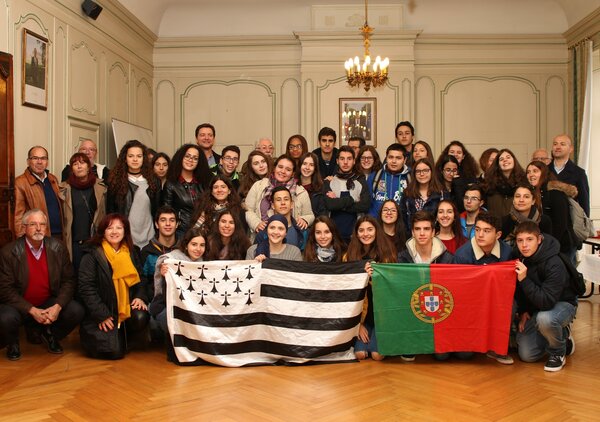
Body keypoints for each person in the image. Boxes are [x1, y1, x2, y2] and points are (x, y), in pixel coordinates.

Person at [0, 210, 84, 361]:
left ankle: (50, 334)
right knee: (6, 318)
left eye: (42, 224)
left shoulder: (58, 248)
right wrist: (31, 310)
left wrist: (57, 306)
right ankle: (12, 342)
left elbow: (69, 281)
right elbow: (5, 289)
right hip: (19, 305)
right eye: (33, 224)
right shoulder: (8, 252)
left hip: (47, 302)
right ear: (24, 227)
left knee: (76, 311)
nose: (38, 228)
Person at [78, 213, 150, 360]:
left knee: (141, 316)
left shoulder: (131, 252)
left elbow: (141, 278)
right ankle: (118, 336)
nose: (114, 232)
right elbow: (86, 288)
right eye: (110, 228)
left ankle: (127, 335)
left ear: (125, 231)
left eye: (119, 228)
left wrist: (139, 297)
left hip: (125, 307)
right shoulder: (92, 253)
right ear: (103, 231)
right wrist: (101, 315)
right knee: (113, 353)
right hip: (103, 310)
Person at [514, 221, 577, 372]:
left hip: (562, 305)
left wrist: (524, 279)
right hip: (537, 307)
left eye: (529, 239)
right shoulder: (520, 258)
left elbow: (547, 302)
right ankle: (560, 337)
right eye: (520, 240)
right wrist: (524, 311)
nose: (524, 245)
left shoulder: (554, 262)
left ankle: (558, 352)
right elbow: (519, 292)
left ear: (539, 239)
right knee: (527, 355)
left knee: (546, 319)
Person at [454, 211, 515, 365]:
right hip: (471, 305)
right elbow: (459, 292)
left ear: (498, 235)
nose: (480, 235)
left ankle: (497, 347)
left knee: (512, 305)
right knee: (465, 355)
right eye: (477, 229)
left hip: (497, 301)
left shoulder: (507, 252)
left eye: (486, 231)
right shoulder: (462, 255)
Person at [345, 216, 396, 361]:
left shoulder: (388, 254)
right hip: (362, 317)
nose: (365, 234)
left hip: (382, 317)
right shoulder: (349, 256)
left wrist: (374, 276)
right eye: (361, 230)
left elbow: (392, 288)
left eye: (370, 229)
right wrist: (358, 325)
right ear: (356, 234)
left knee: (377, 355)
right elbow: (348, 294)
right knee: (360, 354)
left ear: (376, 231)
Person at [149, 227, 206, 345]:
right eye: (194, 244)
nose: (198, 249)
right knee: (171, 319)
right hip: (166, 305)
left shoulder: (205, 263)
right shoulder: (172, 259)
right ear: (186, 245)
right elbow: (162, 292)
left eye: (202, 245)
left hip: (194, 307)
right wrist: (164, 275)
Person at [107, 140, 161, 248]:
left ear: (144, 158)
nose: (135, 159)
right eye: (131, 156)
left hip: (150, 238)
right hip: (125, 239)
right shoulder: (116, 182)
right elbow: (110, 212)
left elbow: (158, 210)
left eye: (139, 156)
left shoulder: (154, 181)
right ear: (125, 159)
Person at [244, 154, 314, 236]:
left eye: (288, 169)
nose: (283, 171)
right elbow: (247, 210)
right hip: (261, 235)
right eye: (280, 167)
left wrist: (304, 219)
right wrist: (256, 223)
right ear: (274, 168)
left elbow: (310, 215)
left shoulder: (300, 192)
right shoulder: (259, 186)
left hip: (290, 236)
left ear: (293, 173)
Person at [59, 152, 107, 271]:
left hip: (95, 241)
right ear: (72, 169)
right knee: (75, 274)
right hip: (74, 242)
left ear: (89, 167)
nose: (79, 166)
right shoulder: (63, 189)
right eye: (75, 164)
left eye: (82, 163)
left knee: (95, 274)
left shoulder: (101, 187)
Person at [526, 161, 578, 256]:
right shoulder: (535, 193)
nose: (531, 174)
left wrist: (549, 247)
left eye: (535, 171)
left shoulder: (555, 193)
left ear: (544, 173)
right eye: (528, 172)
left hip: (562, 246)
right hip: (547, 245)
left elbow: (561, 225)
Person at [161, 144, 211, 237]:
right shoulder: (171, 184)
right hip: (180, 232)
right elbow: (166, 212)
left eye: (195, 158)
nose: (190, 160)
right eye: (187, 156)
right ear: (181, 158)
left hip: (202, 232)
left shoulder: (204, 183)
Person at [324, 146, 371, 243]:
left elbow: (365, 205)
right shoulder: (329, 181)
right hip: (333, 236)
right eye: (342, 159)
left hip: (356, 236)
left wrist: (338, 202)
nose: (345, 162)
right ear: (337, 161)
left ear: (354, 161)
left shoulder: (360, 181)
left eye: (349, 159)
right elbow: (330, 205)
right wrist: (352, 199)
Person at [14, 146, 63, 238]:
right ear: (28, 161)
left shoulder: (53, 179)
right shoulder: (20, 182)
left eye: (43, 158)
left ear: (47, 162)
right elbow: (18, 216)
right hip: (37, 236)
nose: (39, 162)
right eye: (35, 158)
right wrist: (21, 240)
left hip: (59, 234)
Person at [140, 206, 179, 306]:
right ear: (157, 224)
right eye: (163, 220)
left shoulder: (184, 250)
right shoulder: (147, 251)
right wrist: (141, 298)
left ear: (177, 224)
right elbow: (142, 280)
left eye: (172, 220)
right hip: (155, 302)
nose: (168, 224)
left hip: (180, 301)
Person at [254, 186, 307, 250]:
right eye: (278, 200)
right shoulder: (263, 232)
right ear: (273, 205)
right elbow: (256, 254)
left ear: (292, 204)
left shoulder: (302, 231)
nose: (283, 203)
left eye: (286, 199)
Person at [400, 158, 446, 232]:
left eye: (425, 170)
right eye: (418, 171)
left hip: (436, 235)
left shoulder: (441, 193)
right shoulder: (407, 193)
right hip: (412, 235)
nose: (422, 174)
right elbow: (403, 218)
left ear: (432, 172)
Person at [549, 134, 590, 216]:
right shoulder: (544, 171)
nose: (558, 147)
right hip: (548, 219)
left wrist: (584, 222)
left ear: (571, 149)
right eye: (555, 144)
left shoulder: (579, 173)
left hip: (569, 219)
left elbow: (584, 203)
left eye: (562, 144)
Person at [368, 144, 411, 217]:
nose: (394, 161)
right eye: (390, 157)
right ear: (386, 158)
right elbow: (368, 203)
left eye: (398, 158)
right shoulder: (375, 176)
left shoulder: (410, 178)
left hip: (401, 222)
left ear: (405, 160)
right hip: (377, 221)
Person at [483, 148, 527, 220]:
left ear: (514, 160)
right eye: (501, 159)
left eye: (508, 157)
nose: (505, 160)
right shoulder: (489, 183)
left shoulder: (524, 182)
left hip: (518, 223)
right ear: (497, 164)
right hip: (494, 223)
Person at [296, 152, 327, 217]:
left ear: (315, 168)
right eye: (304, 164)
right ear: (300, 165)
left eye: (311, 165)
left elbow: (322, 213)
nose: (307, 167)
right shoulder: (292, 185)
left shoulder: (321, 188)